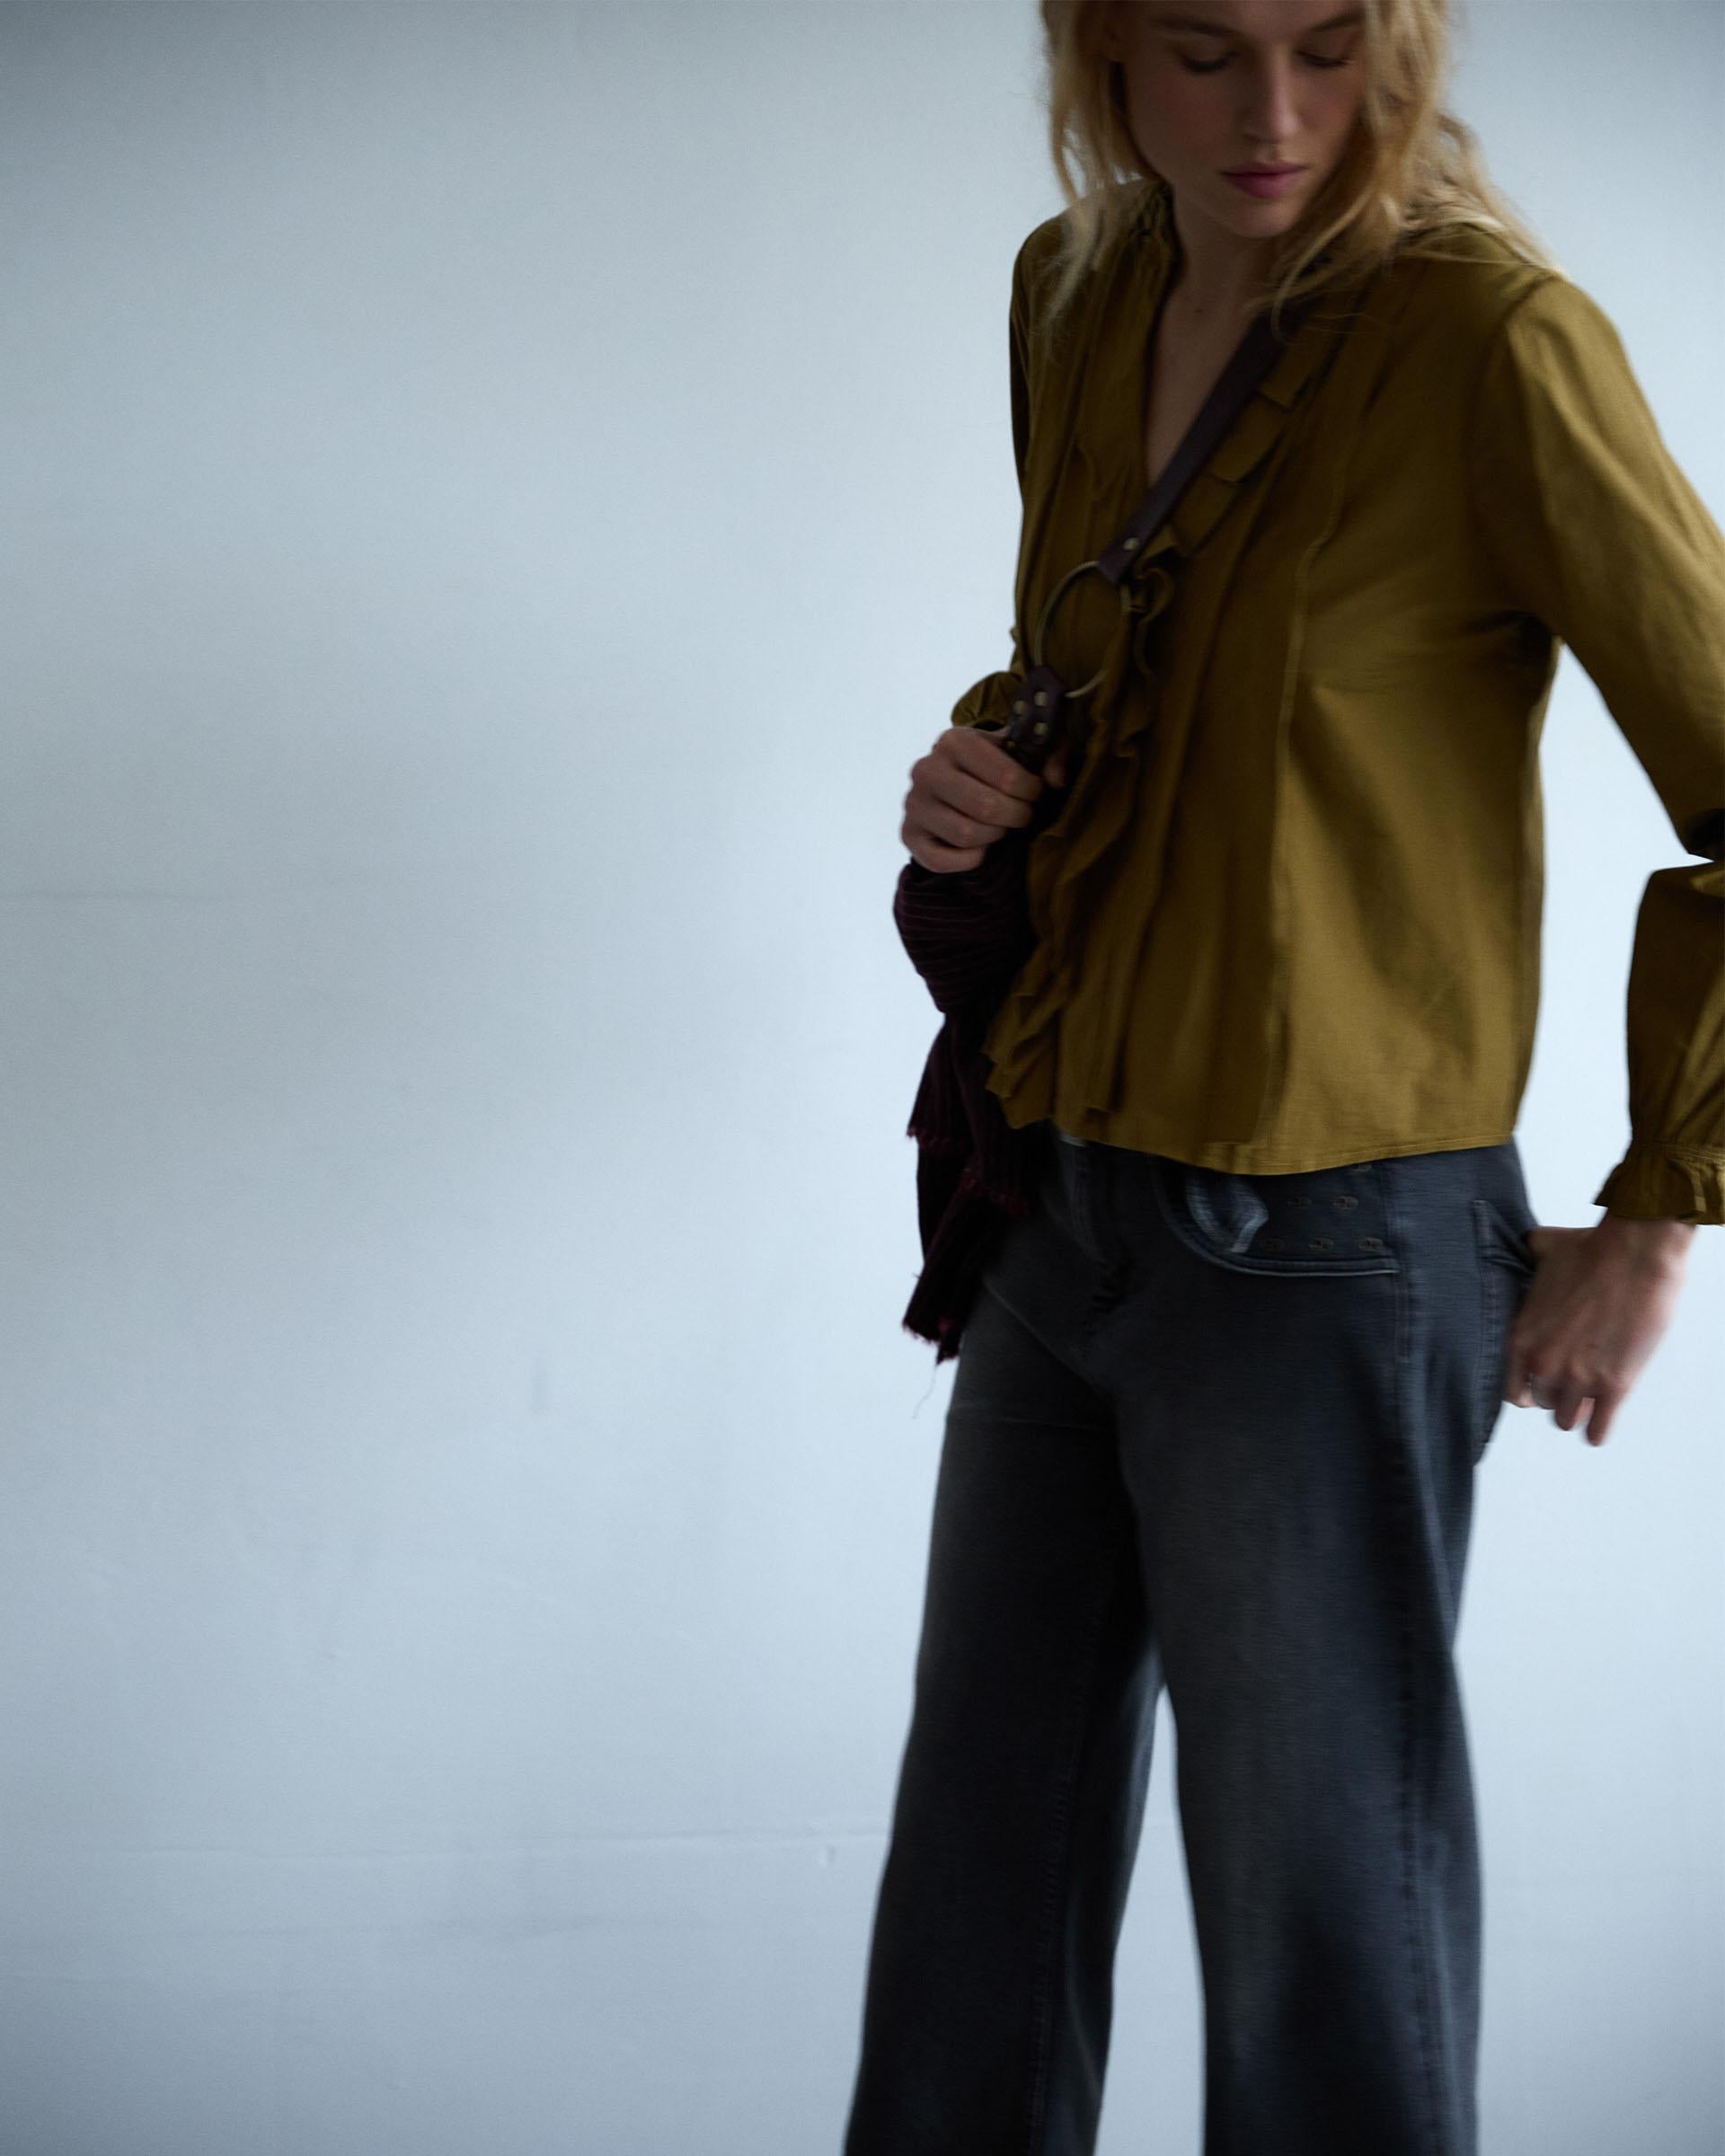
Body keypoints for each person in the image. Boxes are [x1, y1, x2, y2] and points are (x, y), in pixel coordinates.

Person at [842, 4, 1723, 2153]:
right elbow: (1123, 667)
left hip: (1328, 1240)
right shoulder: (1081, 288)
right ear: (1101, 58)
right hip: (1057, 1199)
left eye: (1333, 49)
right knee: (972, 1900)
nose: (1274, 116)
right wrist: (985, 769)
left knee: (1320, 1923)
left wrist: (1660, 1214)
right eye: (1205, 53)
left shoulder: (1492, 342)